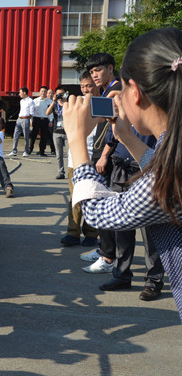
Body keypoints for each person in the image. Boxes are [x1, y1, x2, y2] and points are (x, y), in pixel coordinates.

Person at [64, 28, 182, 311]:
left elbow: (100, 213)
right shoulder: (172, 149)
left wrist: (77, 141)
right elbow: (159, 166)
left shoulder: (168, 174)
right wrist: (128, 137)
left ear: (136, 92)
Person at [79, 53, 122, 274]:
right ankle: (104, 249)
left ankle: (108, 256)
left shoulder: (117, 90)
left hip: (109, 156)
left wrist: (105, 155)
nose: (94, 75)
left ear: (110, 68)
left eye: (98, 70)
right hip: (99, 153)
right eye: (92, 71)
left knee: (103, 203)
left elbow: (117, 128)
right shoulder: (106, 91)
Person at [58, 73, 99, 247]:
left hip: (95, 160)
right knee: (75, 198)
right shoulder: (76, 104)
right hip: (74, 160)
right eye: (82, 86)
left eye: (89, 85)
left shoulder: (103, 104)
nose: (85, 89)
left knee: (93, 197)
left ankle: (91, 233)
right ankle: (72, 233)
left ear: (97, 85)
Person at [47, 85, 68, 179]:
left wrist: (65, 101)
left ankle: (72, 171)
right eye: (58, 94)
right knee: (59, 154)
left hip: (67, 132)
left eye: (62, 94)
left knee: (70, 154)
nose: (60, 96)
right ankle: (61, 172)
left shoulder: (68, 104)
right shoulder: (54, 104)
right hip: (57, 132)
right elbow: (47, 113)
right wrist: (53, 101)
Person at [7, 87, 34, 157]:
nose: (19, 94)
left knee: (26, 136)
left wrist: (30, 121)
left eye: (20, 92)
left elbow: (31, 113)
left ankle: (26, 151)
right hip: (19, 119)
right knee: (15, 135)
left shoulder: (30, 101)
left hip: (26, 119)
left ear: (24, 93)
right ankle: (14, 151)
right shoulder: (21, 101)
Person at [28, 86, 53, 156]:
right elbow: (32, 111)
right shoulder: (35, 101)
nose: (43, 93)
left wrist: (51, 121)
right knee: (33, 135)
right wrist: (31, 120)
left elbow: (51, 112)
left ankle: (42, 151)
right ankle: (30, 149)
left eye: (45, 91)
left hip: (45, 120)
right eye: (42, 91)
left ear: (46, 93)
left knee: (44, 136)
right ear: (39, 92)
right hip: (36, 119)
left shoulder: (50, 102)